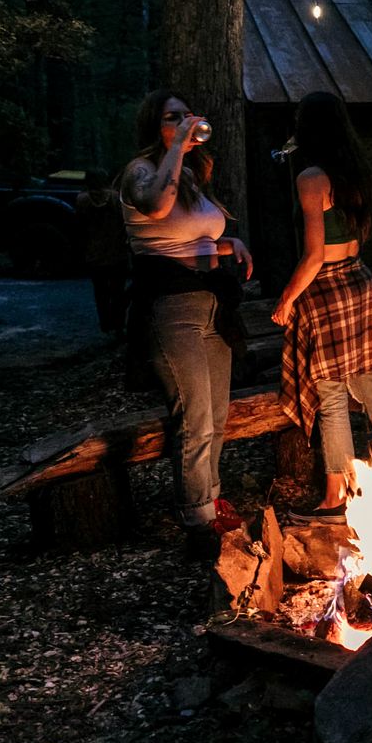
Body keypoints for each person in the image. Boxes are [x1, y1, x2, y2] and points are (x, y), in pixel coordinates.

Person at [120, 89, 252, 548]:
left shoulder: (192, 174)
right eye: (171, 117)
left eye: (186, 116)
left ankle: (210, 502)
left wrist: (226, 244)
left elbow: (182, 239)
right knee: (194, 416)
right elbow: (156, 211)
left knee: (217, 414)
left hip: (212, 302)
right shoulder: (140, 171)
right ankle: (197, 519)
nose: (183, 122)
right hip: (171, 308)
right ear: (152, 125)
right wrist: (176, 147)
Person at [272, 91, 372, 523]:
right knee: (370, 380)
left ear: (306, 127)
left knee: (330, 394)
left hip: (326, 284)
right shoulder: (354, 170)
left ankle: (336, 494)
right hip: (358, 278)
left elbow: (313, 255)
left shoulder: (312, 177)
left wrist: (287, 298)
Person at [75, 169, 129, 337]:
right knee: (118, 291)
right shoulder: (116, 198)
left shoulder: (82, 200)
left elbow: (80, 227)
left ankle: (106, 324)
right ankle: (119, 324)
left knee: (101, 292)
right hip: (116, 252)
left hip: (94, 253)